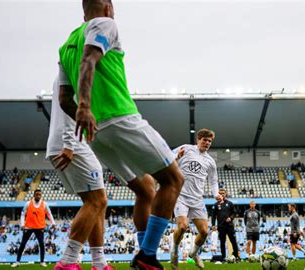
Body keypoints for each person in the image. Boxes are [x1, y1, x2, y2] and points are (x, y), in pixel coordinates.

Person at [57, 0, 184, 269]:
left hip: (97, 134)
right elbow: (89, 60)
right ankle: (147, 256)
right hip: (121, 118)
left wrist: (86, 117)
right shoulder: (106, 24)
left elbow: (63, 97)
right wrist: (85, 107)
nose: (114, 11)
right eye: (113, 6)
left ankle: (142, 252)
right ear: (106, 7)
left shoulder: (66, 44)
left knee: (146, 188)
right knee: (173, 179)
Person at [46, 76, 112, 270]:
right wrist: (69, 144)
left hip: (70, 141)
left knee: (97, 202)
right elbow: (67, 105)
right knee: (97, 201)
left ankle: (99, 263)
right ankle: (68, 261)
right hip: (70, 143)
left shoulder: (65, 73)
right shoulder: (74, 70)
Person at [171, 128, 220, 270]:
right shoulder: (185, 149)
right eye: (205, 140)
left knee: (204, 232)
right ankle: (174, 253)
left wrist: (215, 194)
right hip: (181, 196)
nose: (207, 143)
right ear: (198, 139)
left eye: (210, 141)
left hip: (197, 199)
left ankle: (194, 253)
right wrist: (177, 158)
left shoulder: (210, 161)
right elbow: (167, 159)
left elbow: (213, 181)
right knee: (182, 226)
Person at [12, 190, 55, 268]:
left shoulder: (44, 204)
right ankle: (17, 262)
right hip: (29, 227)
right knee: (22, 244)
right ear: (34, 195)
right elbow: (22, 214)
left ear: (41, 195)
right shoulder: (28, 203)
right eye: (37, 194)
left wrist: (53, 223)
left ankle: (42, 262)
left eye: (40, 194)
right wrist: (22, 224)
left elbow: (49, 214)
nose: (38, 196)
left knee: (41, 244)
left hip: (40, 227)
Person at [211, 189, 239, 261]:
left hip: (229, 226)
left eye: (223, 193)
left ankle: (236, 256)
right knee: (222, 242)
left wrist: (231, 218)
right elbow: (213, 216)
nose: (222, 194)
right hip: (221, 226)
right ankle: (223, 257)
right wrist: (213, 224)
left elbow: (234, 212)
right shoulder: (216, 205)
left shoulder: (230, 203)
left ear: (225, 194)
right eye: (220, 193)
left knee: (233, 241)